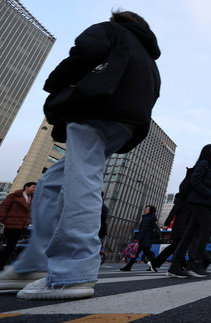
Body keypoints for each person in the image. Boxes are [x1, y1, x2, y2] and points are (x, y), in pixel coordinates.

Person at [0, 10, 160, 300]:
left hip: (95, 108)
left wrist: (54, 83)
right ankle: (35, 264)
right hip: (126, 124)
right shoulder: (149, 61)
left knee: (82, 180)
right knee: (51, 184)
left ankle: (72, 271)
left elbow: (86, 51)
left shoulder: (112, 31)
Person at [168, 144, 211, 278]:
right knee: (207, 229)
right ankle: (195, 264)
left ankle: (175, 266)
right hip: (199, 202)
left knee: (189, 235)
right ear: (210, 152)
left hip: (205, 203)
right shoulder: (204, 164)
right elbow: (195, 180)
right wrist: (208, 194)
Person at [0, 182, 37, 270]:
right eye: (34, 187)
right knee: (8, 246)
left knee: (10, 247)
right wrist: (1, 219)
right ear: (26, 187)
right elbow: (4, 207)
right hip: (9, 224)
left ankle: (2, 265)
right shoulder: (14, 196)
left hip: (21, 226)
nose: (35, 189)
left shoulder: (32, 199)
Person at [120, 206, 158, 272]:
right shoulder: (151, 218)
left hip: (144, 239)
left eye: (147, 209)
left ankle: (154, 266)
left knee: (147, 253)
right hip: (146, 238)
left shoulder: (147, 218)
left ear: (150, 211)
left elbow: (143, 229)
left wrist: (138, 238)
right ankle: (128, 267)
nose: (145, 210)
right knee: (138, 253)